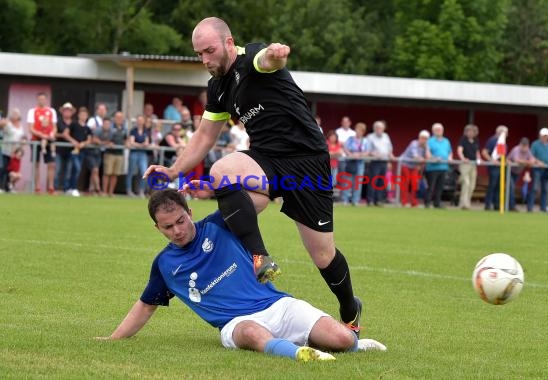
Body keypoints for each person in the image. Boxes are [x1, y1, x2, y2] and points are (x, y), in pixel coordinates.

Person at [144, 17, 363, 335]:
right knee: (222, 172)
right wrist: (174, 169)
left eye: (209, 51)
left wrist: (277, 55)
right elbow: (205, 136)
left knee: (323, 254)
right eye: (199, 54)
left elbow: (267, 60)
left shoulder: (253, 59)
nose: (205, 60)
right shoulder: (218, 86)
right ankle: (258, 257)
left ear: (229, 43)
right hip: (266, 161)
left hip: (307, 163)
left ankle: (350, 309)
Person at [95, 190, 386, 360]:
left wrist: (216, 187)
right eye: (168, 227)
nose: (178, 230)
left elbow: (258, 199)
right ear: (157, 228)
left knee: (343, 341)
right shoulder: (165, 265)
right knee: (250, 333)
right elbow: (146, 305)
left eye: (181, 221)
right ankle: (299, 354)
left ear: (190, 210)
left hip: (278, 306)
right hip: (236, 322)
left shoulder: (220, 223)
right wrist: (114, 339)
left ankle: (355, 341)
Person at [27, 92, 57, 194]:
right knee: (36, 164)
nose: (42, 101)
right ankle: (37, 187)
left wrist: (52, 133)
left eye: (43, 99)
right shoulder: (32, 111)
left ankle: (51, 187)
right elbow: (31, 128)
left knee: (51, 164)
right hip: (36, 140)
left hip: (48, 139)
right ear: (37, 100)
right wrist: (41, 134)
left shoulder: (51, 111)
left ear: (46, 100)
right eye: (40, 99)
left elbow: (54, 126)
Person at [63, 107, 92, 197]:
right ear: (79, 115)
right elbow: (65, 134)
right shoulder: (74, 124)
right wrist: (73, 141)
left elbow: (89, 139)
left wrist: (84, 143)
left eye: (85, 115)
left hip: (82, 151)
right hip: (73, 151)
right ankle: (72, 188)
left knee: (76, 170)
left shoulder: (87, 128)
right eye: (82, 114)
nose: (83, 116)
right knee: (76, 168)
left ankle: (71, 188)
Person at [341, 122, 371, 206]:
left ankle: (355, 200)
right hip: (350, 162)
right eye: (357, 129)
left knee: (358, 182)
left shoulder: (365, 140)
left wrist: (360, 155)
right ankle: (345, 200)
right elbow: (345, 148)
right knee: (347, 181)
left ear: (363, 131)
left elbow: (368, 151)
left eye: (360, 130)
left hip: (360, 163)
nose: (358, 131)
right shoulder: (350, 139)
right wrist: (351, 154)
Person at [425, 123, 452, 209]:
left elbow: (450, 152)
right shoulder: (429, 141)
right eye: (436, 130)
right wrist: (434, 158)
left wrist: (450, 158)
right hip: (432, 168)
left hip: (443, 167)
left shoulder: (446, 141)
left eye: (440, 130)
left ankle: (437, 203)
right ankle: (427, 202)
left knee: (440, 187)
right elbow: (427, 154)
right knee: (431, 186)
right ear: (433, 131)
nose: (439, 131)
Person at [399, 130, 430, 207]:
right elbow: (415, 156)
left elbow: (428, 157)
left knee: (415, 184)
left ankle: (413, 202)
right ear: (419, 137)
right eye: (422, 138)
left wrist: (427, 148)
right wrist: (423, 160)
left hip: (414, 166)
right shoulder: (414, 143)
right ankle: (404, 202)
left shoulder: (425, 146)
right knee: (406, 183)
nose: (424, 140)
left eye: (426, 139)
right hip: (405, 164)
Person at [366, 120, 393, 206]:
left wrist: (389, 159)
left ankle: (378, 200)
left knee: (381, 182)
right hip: (375, 161)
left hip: (384, 161)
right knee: (373, 181)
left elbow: (389, 149)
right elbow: (367, 149)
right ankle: (370, 200)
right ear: (374, 128)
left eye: (381, 128)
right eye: (377, 128)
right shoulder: (370, 137)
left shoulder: (386, 136)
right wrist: (374, 154)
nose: (379, 129)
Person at [481, 125, 508, 211]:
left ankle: (497, 204)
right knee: (492, 185)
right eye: (506, 133)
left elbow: (503, 155)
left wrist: (506, 161)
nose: (507, 134)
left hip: (502, 167)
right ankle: (488, 204)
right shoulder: (492, 140)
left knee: (499, 186)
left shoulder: (503, 142)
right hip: (494, 167)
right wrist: (492, 160)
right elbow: (484, 152)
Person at [0, 109, 26, 192]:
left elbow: (22, 136)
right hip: (6, 151)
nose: (15, 115)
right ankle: (1, 187)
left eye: (16, 114)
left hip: (16, 153)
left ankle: (9, 187)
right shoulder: (8, 123)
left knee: (12, 171)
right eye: (13, 113)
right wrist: (4, 121)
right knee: (3, 169)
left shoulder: (20, 125)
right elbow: (1, 124)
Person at [528, 128, 548, 212]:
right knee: (534, 188)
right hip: (537, 169)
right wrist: (538, 162)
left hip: (546, 169)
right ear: (540, 135)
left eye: (546, 136)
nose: (545, 137)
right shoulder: (535, 144)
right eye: (543, 136)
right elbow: (531, 156)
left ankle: (543, 207)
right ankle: (530, 207)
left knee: (545, 189)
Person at [507, 138, 536, 212]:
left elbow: (533, 160)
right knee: (511, 187)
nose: (524, 148)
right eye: (523, 145)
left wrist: (526, 162)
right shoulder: (516, 149)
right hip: (509, 171)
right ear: (520, 144)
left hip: (517, 172)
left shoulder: (528, 151)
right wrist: (527, 162)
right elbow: (517, 160)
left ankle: (510, 205)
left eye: (526, 146)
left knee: (512, 188)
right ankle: (511, 206)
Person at [103, 113, 128, 197]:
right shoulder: (109, 127)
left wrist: (127, 143)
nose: (119, 119)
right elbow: (104, 138)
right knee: (107, 173)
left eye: (121, 117)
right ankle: (104, 192)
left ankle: (111, 192)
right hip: (110, 153)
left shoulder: (124, 129)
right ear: (114, 118)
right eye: (117, 117)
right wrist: (108, 142)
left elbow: (125, 139)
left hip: (119, 154)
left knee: (115, 174)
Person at [456, 124, 481, 210]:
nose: (471, 133)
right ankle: (463, 203)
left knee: (472, 185)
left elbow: (477, 152)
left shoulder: (476, 140)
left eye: (473, 131)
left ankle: (468, 202)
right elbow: (459, 150)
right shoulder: (463, 139)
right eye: (469, 131)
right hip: (465, 164)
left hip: (473, 165)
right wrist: (463, 158)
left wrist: (479, 159)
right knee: (466, 183)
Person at [55, 103, 76, 192]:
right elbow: (54, 133)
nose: (67, 112)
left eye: (69, 110)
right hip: (59, 150)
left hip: (71, 150)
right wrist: (63, 135)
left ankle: (66, 189)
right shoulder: (57, 122)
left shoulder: (74, 123)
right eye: (66, 110)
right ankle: (54, 188)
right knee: (57, 170)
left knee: (68, 171)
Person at [128, 115, 150, 198]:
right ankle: (129, 190)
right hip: (134, 153)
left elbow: (147, 142)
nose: (140, 121)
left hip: (142, 153)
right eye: (138, 120)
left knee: (144, 172)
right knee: (131, 172)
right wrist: (141, 145)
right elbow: (131, 142)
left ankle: (141, 191)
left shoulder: (145, 131)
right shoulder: (133, 131)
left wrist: (143, 145)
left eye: (141, 120)